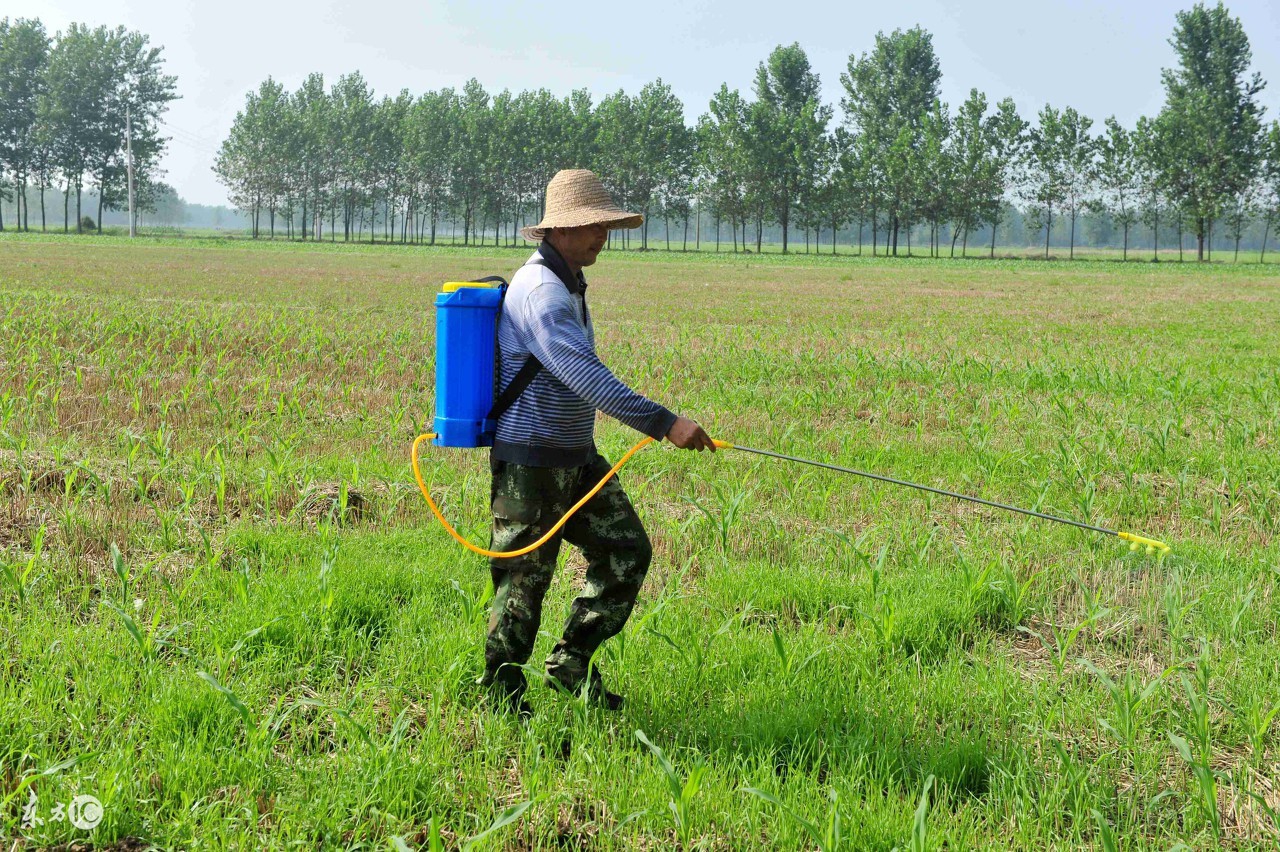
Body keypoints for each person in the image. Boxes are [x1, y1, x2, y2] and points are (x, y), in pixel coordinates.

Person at [481, 168, 715, 715]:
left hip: (576, 458)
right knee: (523, 581)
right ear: (558, 230)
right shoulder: (540, 291)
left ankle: (571, 663)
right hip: (532, 463)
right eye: (591, 226)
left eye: (606, 225)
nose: (601, 236)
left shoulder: (569, 284)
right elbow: (583, 374)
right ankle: (500, 693)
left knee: (627, 550)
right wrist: (664, 422)